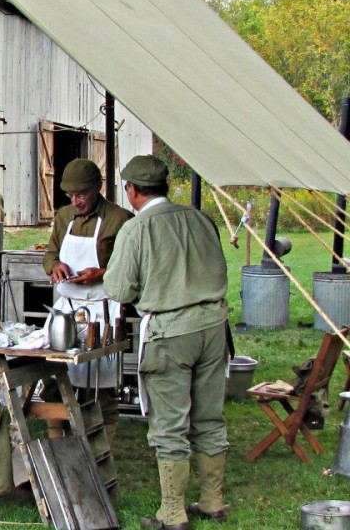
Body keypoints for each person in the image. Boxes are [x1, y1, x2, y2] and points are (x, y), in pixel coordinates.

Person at [103, 155, 229, 530]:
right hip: (213, 327)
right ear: (166, 186)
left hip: (171, 332)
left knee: (169, 425)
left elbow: (120, 288)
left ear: (133, 191)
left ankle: (172, 513)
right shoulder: (200, 219)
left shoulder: (136, 229)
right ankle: (212, 501)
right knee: (209, 416)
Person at [41, 158, 133, 446]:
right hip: (66, 308)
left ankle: (100, 451)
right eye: (71, 195)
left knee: (101, 386)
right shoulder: (64, 216)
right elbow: (50, 253)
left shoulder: (120, 219)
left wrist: (102, 273)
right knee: (54, 378)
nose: (75, 201)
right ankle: (60, 442)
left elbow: (131, 266)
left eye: (81, 195)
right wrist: (54, 266)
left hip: (103, 308)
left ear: (97, 188)